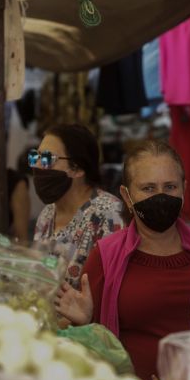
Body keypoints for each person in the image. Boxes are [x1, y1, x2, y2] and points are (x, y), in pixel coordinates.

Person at [54, 140, 190, 380]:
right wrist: (84, 322)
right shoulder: (106, 256)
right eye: (148, 188)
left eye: (170, 186)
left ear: (184, 189)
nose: (161, 196)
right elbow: (93, 343)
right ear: (127, 195)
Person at [30, 124, 125, 289]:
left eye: (46, 158)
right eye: (34, 157)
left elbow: (111, 289)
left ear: (78, 168)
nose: (37, 165)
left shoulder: (109, 214)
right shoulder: (47, 213)